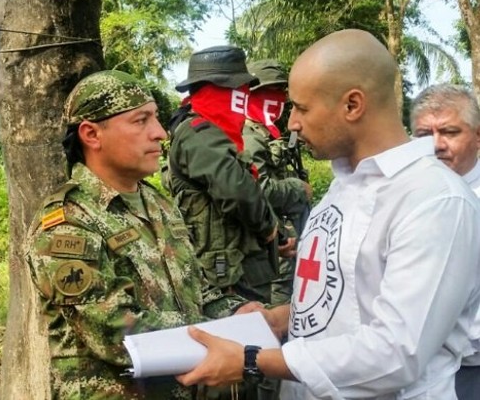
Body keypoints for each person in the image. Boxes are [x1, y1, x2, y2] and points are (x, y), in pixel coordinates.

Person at [175, 29, 480, 399]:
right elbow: (343, 301)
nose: (292, 123)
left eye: (302, 108)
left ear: (352, 105)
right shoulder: (342, 186)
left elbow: (397, 352)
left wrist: (252, 359)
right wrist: (278, 319)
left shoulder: (433, 200)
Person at [24, 70, 209, 399]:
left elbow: (198, 292)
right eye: (141, 121)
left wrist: (247, 313)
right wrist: (217, 334)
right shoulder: (68, 222)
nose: (161, 133)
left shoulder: (158, 203)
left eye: (156, 119)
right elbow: (116, 333)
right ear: (92, 134)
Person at [166, 46, 288, 319]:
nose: (244, 95)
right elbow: (238, 190)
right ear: (223, 87)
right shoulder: (199, 132)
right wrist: (270, 227)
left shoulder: (216, 132)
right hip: (228, 273)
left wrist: (276, 236)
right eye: (241, 87)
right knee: (246, 347)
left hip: (240, 262)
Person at [410, 83, 480, 400]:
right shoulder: (401, 196)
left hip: (471, 368)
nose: (435, 145)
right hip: (413, 370)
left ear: (478, 136)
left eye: (449, 132)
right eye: (424, 135)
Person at [244, 59, 312, 307]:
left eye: (279, 92)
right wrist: (297, 188)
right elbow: (258, 189)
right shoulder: (248, 135)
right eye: (268, 93)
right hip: (273, 239)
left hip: (285, 234)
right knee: (279, 300)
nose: (277, 99)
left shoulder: (266, 132)